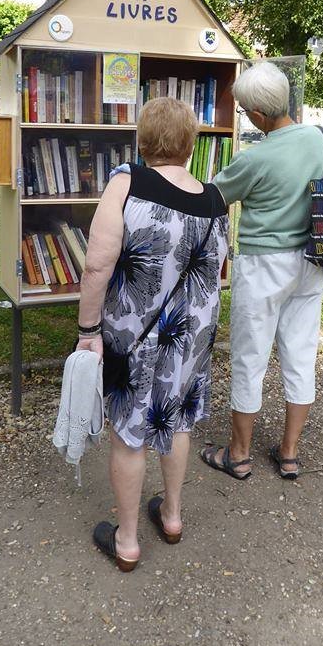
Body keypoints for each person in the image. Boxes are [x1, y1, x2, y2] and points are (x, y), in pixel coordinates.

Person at [76, 96, 228, 571]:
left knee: (129, 433)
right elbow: (217, 271)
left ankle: (126, 541)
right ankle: (172, 516)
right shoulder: (216, 199)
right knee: (176, 420)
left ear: (143, 141)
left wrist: (87, 329)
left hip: (133, 334)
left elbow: (97, 263)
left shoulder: (127, 182)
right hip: (191, 338)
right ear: (191, 143)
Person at [200, 61, 323, 482]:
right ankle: (289, 454)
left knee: (250, 357)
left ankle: (238, 455)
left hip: (262, 267)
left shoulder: (254, 160)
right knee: (300, 354)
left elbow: (210, 200)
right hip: (313, 259)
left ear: (257, 115)